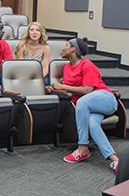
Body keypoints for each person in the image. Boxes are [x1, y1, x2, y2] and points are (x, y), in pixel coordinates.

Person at [48, 37, 119, 171]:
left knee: (82, 101)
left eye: (66, 45)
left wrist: (64, 86)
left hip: (106, 99)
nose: (63, 48)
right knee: (92, 123)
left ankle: (82, 147)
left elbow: (88, 90)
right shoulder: (67, 67)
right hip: (89, 108)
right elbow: (68, 86)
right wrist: (55, 88)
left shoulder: (87, 65)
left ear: (73, 49)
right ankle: (114, 159)